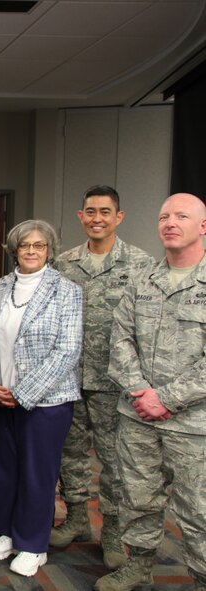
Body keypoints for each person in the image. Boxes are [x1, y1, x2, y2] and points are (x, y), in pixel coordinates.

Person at [94, 193, 206, 591]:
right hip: (138, 415)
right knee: (138, 498)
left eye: (181, 216)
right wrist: (141, 390)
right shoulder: (143, 278)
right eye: (163, 216)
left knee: (198, 511)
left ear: (203, 227)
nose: (170, 222)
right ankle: (138, 566)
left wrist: (167, 398)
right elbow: (119, 338)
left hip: (194, 424)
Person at [51, 186, 153, 568]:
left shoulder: (140, 264)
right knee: (71, 453)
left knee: (114, 460)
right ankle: (77, 518)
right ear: (80, 216)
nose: (97, 218)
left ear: (119, 217)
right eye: (90, 211)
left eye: (105, 212)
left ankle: (111, 530)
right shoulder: (64, 263)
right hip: (69, 377)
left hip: (114, 383)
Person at [0, 219, 82, 578]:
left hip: (46, 401)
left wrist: (22, 394)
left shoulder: (67, 291)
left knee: (37, 475)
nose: (31, 251)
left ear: (50, 251)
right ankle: (8, 532)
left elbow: (67, 351)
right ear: (14, 251)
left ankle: (34, 544)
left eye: (39, 246)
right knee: (4, 471)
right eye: (25, 246)